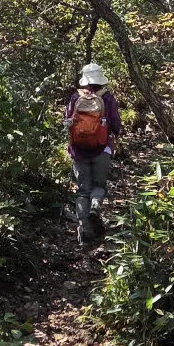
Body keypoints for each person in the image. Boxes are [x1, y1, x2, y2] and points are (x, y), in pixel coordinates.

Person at [64, 63, 120, 246]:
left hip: (78, 150)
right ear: (100, 79)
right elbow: (116, 124)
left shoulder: (75, 97)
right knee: (99, 186)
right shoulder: (108, 98)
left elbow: (67, 121)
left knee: (83, 190)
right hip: (102, 149)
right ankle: (95, 208)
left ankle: (85, 229)